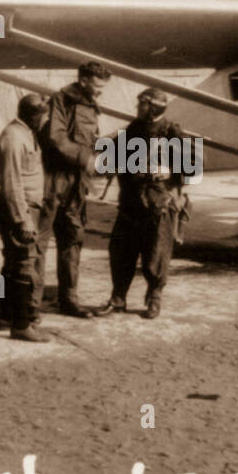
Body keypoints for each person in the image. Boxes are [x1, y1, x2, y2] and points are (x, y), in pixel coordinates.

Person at [95, 87, 191, 319]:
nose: (137, 108)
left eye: (142, 104)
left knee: (156, 254)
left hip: (159, 203)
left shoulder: (171, 131)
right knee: (120, 251)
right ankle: (118, 299)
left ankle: (154, 299)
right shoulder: (133, 129)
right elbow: (109, 156)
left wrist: (170, 171)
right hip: (130, 202)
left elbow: (194, 162)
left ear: (153, 107)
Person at [33, 61, 110, 319]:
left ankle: (69, 301)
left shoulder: (91, 104)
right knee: (38, 243)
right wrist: (85, 159)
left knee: (72, 241)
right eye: (98, 86)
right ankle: (30, 306)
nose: (100, 92)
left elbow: (86, 139)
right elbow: (56, 138)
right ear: (84, 80)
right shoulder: (61, 99)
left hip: (76, 184)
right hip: (54, 181)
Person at [0, 93, 50, 342]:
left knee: (11, 264)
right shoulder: (14, 137)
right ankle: (22, 324)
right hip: (19, 208)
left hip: (23, 206)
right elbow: (11, 183)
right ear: (33, 115)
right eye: (43, 116)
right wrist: (22, 219)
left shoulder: (25, 133)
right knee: (25, 264)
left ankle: (5, 315)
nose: (45, 121)